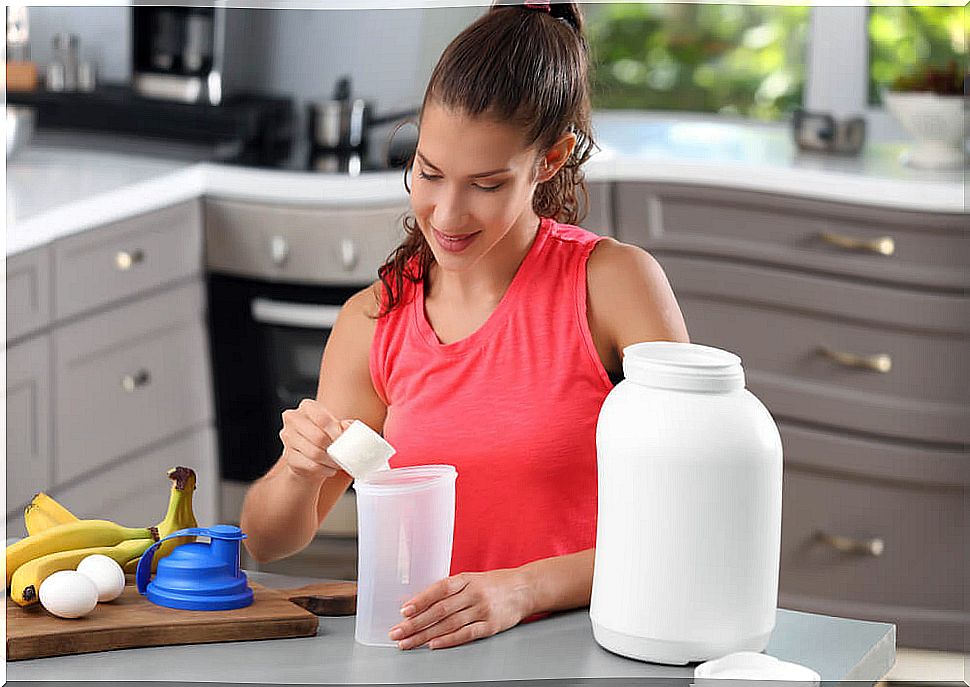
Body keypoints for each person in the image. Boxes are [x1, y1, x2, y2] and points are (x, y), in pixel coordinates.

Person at [240, 0, 688, 651]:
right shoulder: (375, 320)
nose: (447, 213)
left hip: (593, 649)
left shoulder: (613, 286)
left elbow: (687, 516)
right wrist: (300, 471)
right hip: (429, 657)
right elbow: (267, 539)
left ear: (550, 160)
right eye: (428, 172)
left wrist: (521, 587)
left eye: (485, 183)